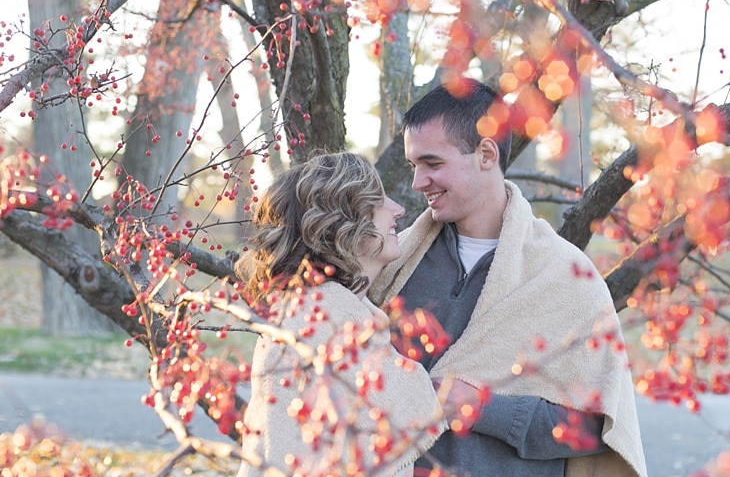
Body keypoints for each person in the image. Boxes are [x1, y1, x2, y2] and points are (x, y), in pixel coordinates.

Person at [368, 79, 648, 477]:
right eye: (415, 166)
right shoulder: (393, 265)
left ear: (485, 153)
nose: (417, 183)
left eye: (432, 164)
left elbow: (596, 431)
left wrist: (482, 407)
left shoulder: (567, 278)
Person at [235, 151, 445, 477]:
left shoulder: (320, 312)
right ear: (345, 221)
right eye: (378, 200)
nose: (398, 209)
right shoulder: (321, 320)